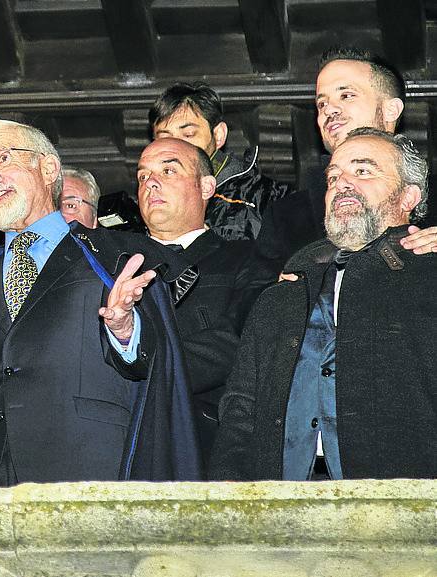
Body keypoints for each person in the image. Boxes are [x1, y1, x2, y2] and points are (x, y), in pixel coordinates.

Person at [0, 119, 202, 485]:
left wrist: (125, 330)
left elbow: (156, 370)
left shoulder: (113, 258)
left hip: (85, 476)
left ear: (48, 167)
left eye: (3, 158)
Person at [210, 128, 437, 480]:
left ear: (408, 196)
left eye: (363, 171)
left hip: (403, 507)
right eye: (333, 177)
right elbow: (240, 411)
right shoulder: (283, 293)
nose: (342, 182)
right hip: (281, 508)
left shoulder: (430, 275)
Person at [136, 137, 276, 461]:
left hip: (205, 444)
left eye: (168, 170)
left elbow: (240, 342)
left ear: (206, 186)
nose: (151, 182)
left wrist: (138, 360)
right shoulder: (109, 263)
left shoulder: (247, 259)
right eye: (143, 176)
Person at [258, 47, 437, 269]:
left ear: (391, 110)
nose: (329, 110)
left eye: (346, 95)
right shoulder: (286, 217)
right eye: (321, 103)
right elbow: (254, 294)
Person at [149, 82, 294, 241]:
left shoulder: (270, 197)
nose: (175, 147)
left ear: (218, 135)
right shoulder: (148, 201)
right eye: (165, 138)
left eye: (188, 135)